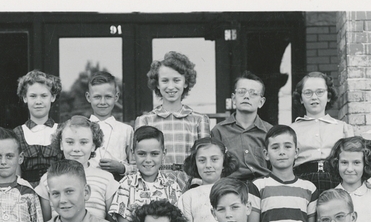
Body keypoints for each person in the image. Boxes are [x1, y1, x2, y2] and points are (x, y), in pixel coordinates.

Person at [135, 51, 210, 189]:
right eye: (164, 81)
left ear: (186, 83)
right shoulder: (145, 120)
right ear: (157, 84)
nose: (170, 87)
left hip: (190, 185)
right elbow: (137, 160)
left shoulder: (199, 120)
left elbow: (205, 157)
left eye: (176, 80)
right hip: (154, 185)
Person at [109, 125, 182, 222]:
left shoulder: (172, 186)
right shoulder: (126, 185)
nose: (148, 160)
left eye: (154, 154)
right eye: (142, 154)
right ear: (132, 154)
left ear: (164, 154)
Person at [36, 115, 119, 222]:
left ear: (93, 145)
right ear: (61, 144)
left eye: (83, 142)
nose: (76, 149)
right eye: (70, 142)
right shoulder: (48, 178)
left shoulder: (106, 179)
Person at [290, 71, 354, 192]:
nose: (314, 97)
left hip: (336, 181)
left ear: (328, 96)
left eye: (320, 92)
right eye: (308, 93)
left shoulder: (343, 128)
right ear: (301, 98)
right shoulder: (292, 130)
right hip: (302, 181)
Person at [210, 71, 273, 182]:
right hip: (230, 187)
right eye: (241, 92)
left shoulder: (270, 132)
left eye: (253, 93)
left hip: (262, 187)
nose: (246, 96)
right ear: (234, 98)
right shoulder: (219, 131)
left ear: (261, 102)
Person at [13, 70, 62, 186]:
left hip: (56, 191)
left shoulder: (62, 131)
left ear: (53, 97)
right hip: (27, 191)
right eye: (33, 96)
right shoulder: (17, 133)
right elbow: (16, 174)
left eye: (44, 96)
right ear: (25, 98)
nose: (38, 101)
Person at [86, 71, 134, 181]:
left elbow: (136, 166)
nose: (103, 102)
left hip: (119, 188)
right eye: (97, 97)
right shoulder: (81, 129)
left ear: (116, 97)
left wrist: (121, 168)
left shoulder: (126, 130)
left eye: (108, 97)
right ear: (88, 97)